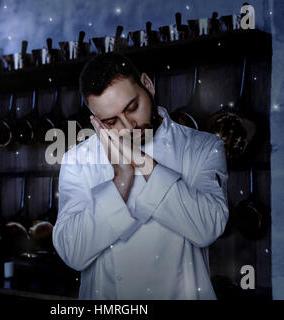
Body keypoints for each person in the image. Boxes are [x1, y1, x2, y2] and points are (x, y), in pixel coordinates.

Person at [52, 52, 229, 300]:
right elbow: (73, 252)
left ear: (148, 85)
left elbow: (207, 228)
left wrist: (139, 161)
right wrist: (121, 179)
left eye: (132, 107)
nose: (128, 126)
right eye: (111, 120)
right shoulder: (77, 160)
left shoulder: (202, 147)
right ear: (96, 122)